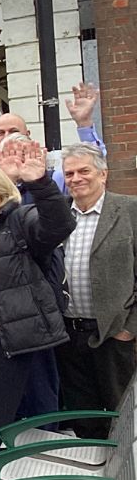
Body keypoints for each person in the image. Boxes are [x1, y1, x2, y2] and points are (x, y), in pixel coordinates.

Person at [0, 144, 75, 469]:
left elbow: (58, 225)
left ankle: (4, 478)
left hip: (16, 336)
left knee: (5, 415)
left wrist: (40, 183)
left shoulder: (19, 220)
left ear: (2, 192)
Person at [57, 143, 137, 439]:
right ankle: (93, 474)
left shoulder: (129, 210)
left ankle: (126, 479)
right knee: (83, 413)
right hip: (70, 334)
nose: (76, 178)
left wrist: (129, 329)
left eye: (84, 171)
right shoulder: (61, 215)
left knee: (122, 412)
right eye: (70, 173)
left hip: (114, 333)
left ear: (103, 174)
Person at [0, 82, 103, 190]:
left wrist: (84, 124)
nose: (7, 137)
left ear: (27, 135)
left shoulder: (53, 175)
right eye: (0, 133)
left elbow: (95, 163)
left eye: (13, 131)